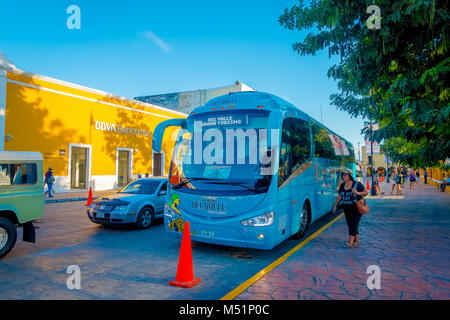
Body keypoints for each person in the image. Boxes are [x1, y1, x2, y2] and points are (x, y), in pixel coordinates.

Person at [332, 169, 368, 247]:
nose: (343, 177)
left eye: (345, 175)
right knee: (350, 224)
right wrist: (335, 205)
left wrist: (357, 193)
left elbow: (366, 192)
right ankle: (356, 240)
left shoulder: (357, 184)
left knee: (353, 224)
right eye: (343, 175)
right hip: (346, 208)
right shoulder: (342, 185)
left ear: (349, 176)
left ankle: (350, 241)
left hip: (356, 207)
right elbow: (340, 196)